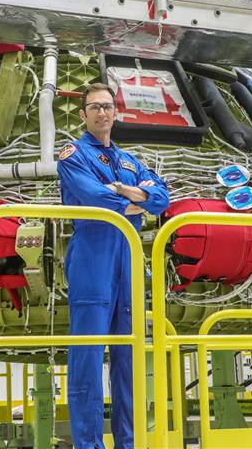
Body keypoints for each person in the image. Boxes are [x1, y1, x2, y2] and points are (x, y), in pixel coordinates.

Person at [57, 83, 170, 449]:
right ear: (83, 114)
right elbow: (95, 198)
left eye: (107, 106)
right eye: (94, 108)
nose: (101, 113)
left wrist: (132, 193)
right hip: (93, 258)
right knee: (88, 359)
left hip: (128, 261)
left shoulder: (128, 161)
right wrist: (131, 196)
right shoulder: (73, 154)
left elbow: (162, 196)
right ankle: (88, 444)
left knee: (130, 357)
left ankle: (129, 442)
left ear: (115, 112)